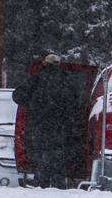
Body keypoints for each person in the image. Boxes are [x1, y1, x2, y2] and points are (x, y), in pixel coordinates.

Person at [13, 54, 78, 188]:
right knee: (57, 156)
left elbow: (17, 95)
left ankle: (41, 183)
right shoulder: (67, 81)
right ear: (59, 64)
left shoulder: (36, 78)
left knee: (41, 155)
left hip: (39, 124)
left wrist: (31, 103)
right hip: (60, 127)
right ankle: (58, 184)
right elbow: (75, 104)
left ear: (45, 64)